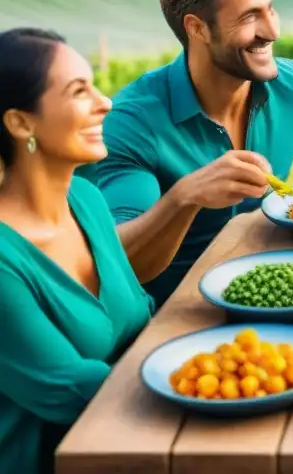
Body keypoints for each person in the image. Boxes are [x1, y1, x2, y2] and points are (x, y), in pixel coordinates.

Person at [83, 0, 293, 307]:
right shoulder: (134, 122)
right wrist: (185, 197)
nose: (272, 30)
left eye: (270, 9)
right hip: (172, 324)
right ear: (198, 28)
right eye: (250, 16)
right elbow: (118, 260)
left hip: (274, 297)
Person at [0, 28, 227, 474]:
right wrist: (216, 380)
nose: (105, 102)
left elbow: (142, 314)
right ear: (20, 123)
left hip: (146, 439)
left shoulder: (87, 202)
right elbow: (72, 390)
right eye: (79, 91)